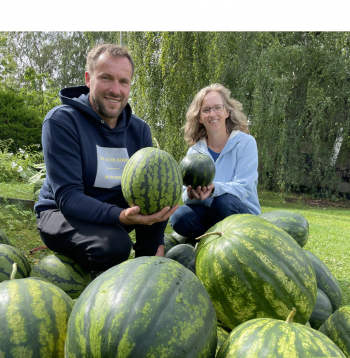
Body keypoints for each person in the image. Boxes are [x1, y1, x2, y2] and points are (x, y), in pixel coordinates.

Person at [34, 43, 179, 274]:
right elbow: (69, 197)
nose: (115, 89)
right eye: (106, 78)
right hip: (60, 213)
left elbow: (150, 190)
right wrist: (121, 216)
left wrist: (155, 247)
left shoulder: (140, 130)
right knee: (113, 246)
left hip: (113, 213)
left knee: (158, 197)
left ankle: (147, 272)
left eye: (123, 81)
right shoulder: (61, 121)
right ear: (88, 78)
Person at [170, 83, 261, 241]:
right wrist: (192, 194)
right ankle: (214, 238)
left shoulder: (246, 143)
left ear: (226, 111)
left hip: (241, 214)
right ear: (199, 118)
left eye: (217, 107)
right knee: (179, 217)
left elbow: (244, 187)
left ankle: (240, 239)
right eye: (206, 110)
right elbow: (185, 194)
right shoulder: (195, 151)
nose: (212, 114)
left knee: (223, 202)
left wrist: (214, 189)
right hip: (209, 213)